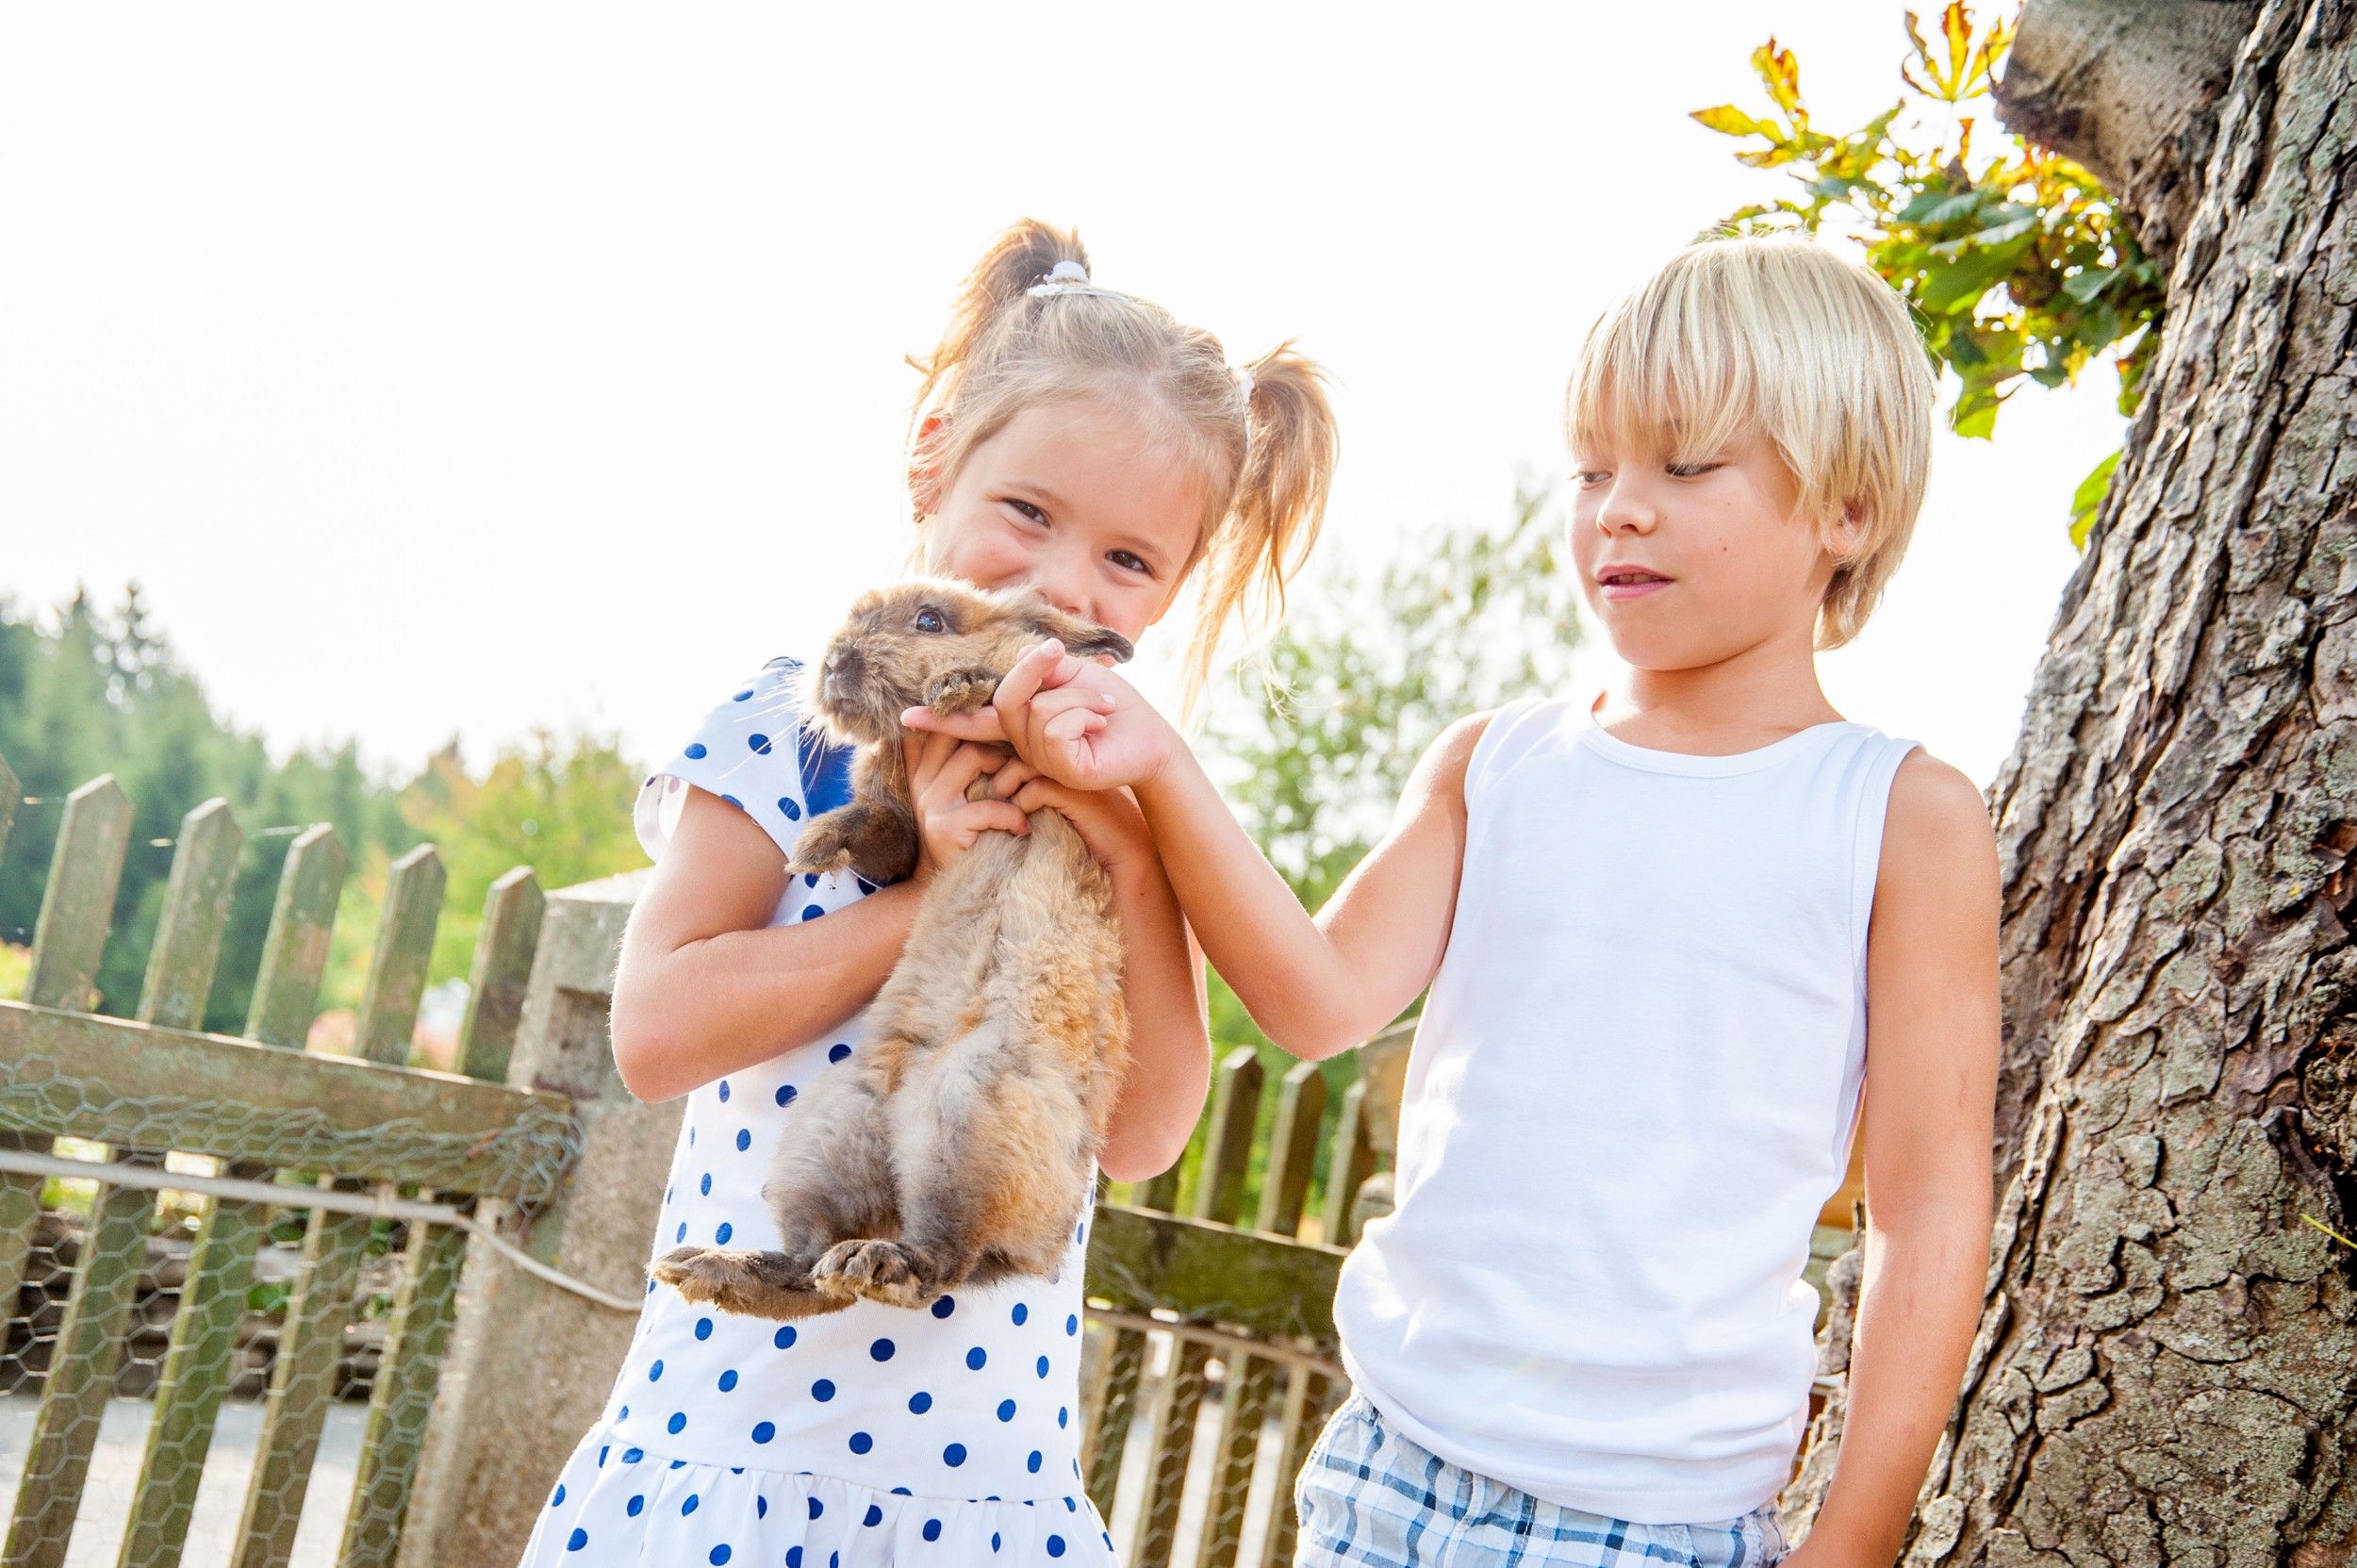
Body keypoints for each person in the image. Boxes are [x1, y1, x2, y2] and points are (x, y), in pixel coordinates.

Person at [910, 236, 2003, 1568]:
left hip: (1652, 1525)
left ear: (1847, 508)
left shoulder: (1901, 814)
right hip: (1387, 1474)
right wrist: (1159, 778)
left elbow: (1933, 1206)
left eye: (1684, 465)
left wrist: (1856, 1548)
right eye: (1592, 469)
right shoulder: (1496, 766)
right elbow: (1313, 1003)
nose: (1621, 510)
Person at [517, 218, 1338, 1568]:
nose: (1066, 580)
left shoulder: (1120, 812)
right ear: (933, 456)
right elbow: (654, 1033)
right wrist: (927, 891)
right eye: (1030, 512)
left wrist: (1132, 853)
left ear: (1171, 592)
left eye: (1130, 560)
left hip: (982, 1502)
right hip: (725, 1466)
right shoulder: (789, 731)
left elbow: (1138, 1136)